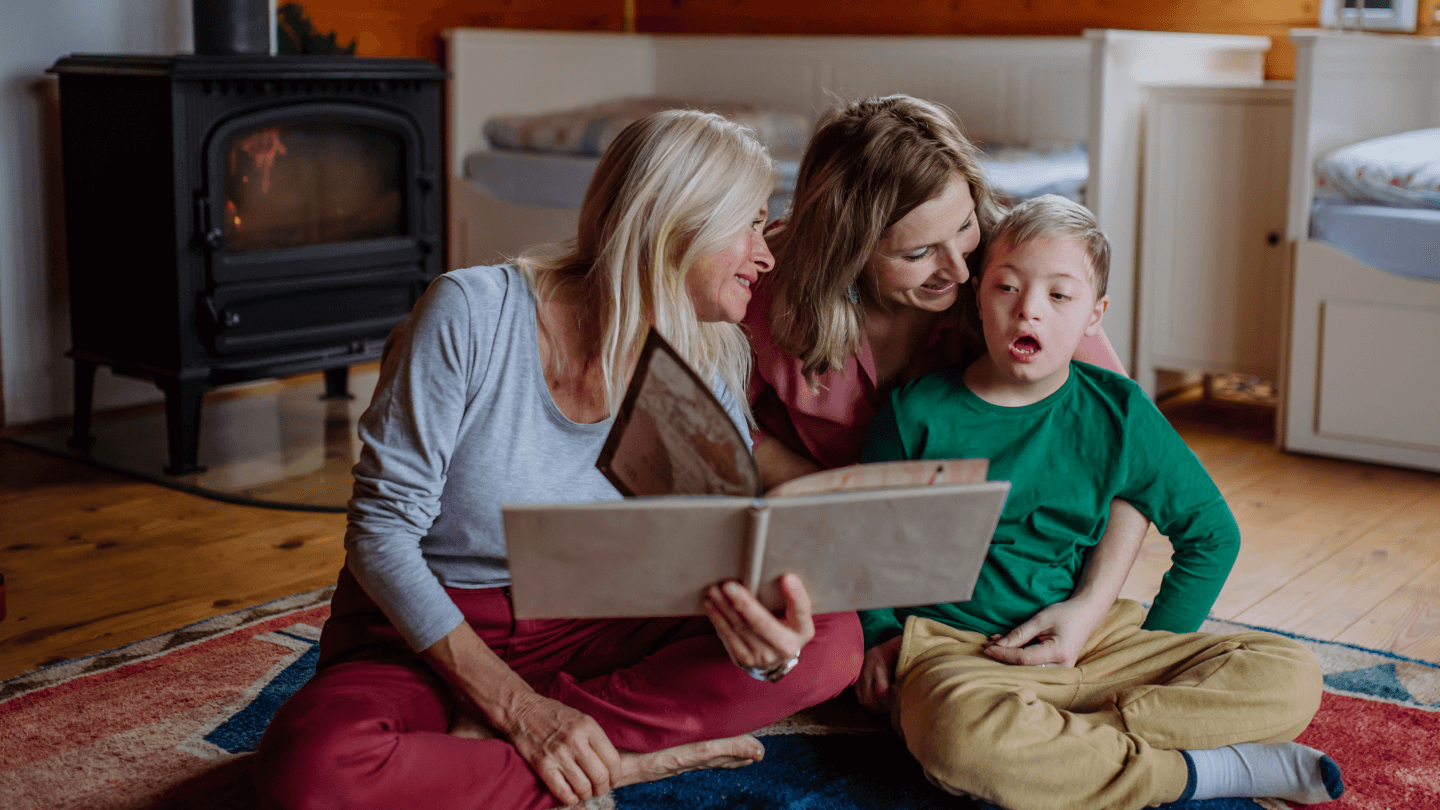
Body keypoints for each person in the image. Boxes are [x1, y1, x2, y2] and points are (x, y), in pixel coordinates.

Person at [254, 110, 864, 810]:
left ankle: (524, 751)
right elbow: (380, 537)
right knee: (312, 775)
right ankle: (616, 761)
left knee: (831, 639)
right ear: (677, 221)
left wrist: (770, 644)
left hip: (596, 625)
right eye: (751, 225)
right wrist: (518, 710)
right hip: (431, 631)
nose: (766, 256)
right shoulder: (473, 315)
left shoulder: (704, 366)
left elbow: (711, 559)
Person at [859, 194, 1342, 810]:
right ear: (978, 296)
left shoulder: (1120, 412)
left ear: (1094, 315)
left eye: (1059, 296)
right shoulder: (913, 415)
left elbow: (1211, 534)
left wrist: (1151, 654)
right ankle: (1200, 774)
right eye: (1007, 288)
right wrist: (878, 632)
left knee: (1291, 676)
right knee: (957, 735)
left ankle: (1068, 748)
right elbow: (862, 541)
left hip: (1099, 641)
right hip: (962, 652)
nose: (1028, 308)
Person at [744, 94, 1149, 670]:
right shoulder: (766, 284)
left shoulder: (1017, 270)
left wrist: (1088, 607)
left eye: (962, 227)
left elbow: (1135, 450)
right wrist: (830, 493)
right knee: (818, 662)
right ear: (846, 251)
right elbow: (716, 429)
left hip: (1006, 572)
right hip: (838, 548)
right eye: (917, 253)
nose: (961, 271)